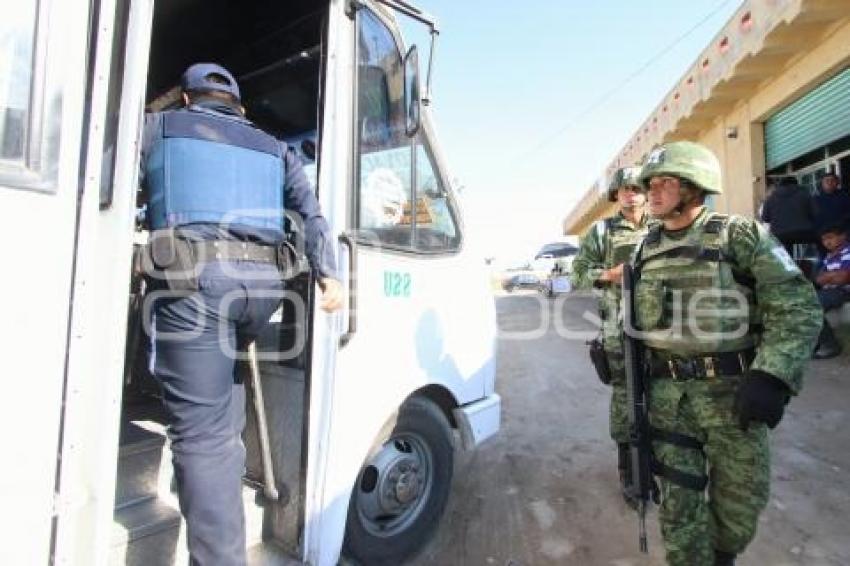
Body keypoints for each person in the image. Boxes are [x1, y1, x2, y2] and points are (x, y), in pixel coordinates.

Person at [139, 63, 343, 565]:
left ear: (187, 100)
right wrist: (330, 274)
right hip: (262, 291)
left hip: (196, 285)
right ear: (240, 109)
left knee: (202, 438)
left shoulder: (158, 128)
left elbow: (100, 181)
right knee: (218, 419)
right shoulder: (276, 148)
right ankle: (212, 476)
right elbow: (311, 214)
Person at [631, 141, 821, 566]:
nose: (653, 192)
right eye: (650, 185)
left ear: (694, 187)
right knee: (679, 512)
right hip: (667, 401)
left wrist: (772, 373)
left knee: (739, 508)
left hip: (733, 397)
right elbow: (630, 319)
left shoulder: (740, 234)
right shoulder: (645, 249)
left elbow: (796, 306)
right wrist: (609, 350)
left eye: (665, 183)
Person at [571, 165, 650, 505]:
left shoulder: (665, 227)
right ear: (616, 196)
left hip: (664, 330)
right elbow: (577, 274)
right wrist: (608, 274)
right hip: (619, 331)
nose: (631, 194)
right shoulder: (601, 231)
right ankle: (630, 470)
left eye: (636, 187)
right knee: (626, 400)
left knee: (666, 398)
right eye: (624, 189)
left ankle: (660, 466)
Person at [812, 224, 850, 359]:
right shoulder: (828, 257)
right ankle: (816, 344)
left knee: (812, 305)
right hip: (830, 291)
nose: (827, 242)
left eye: (830, 237)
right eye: (824, 239)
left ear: (842, 236)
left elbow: (844, 278)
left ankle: (830, 345)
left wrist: (829, 277)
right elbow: (818, 278)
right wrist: (831, 276)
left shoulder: (847, 252)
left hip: (843, 291)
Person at [760, 176, 817, 255]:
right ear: (796, 184)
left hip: (779, 235)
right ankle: (823, 264)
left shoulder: (770, 198)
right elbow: (815, 212)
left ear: (780, 185)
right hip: (804, 232)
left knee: (787, 254)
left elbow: (765, 218)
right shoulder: (805, 194)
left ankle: (791, 265)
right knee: (822, 242)